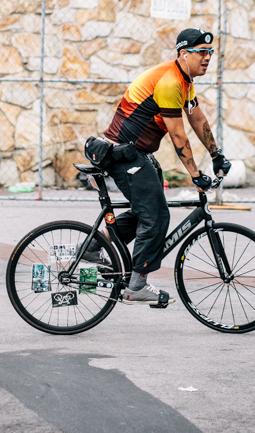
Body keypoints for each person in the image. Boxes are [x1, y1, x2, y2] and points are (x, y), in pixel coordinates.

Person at [82, 27, 231, 307]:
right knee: (157, 217)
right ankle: (136, 286)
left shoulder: (184, 81)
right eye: (201, 52)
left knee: (145, 214)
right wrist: (196, 175)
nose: (208, 57)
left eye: (210, 52)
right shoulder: (170, 82)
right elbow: (178, 135)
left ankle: (91, 247)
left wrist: (217, 155)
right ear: (183, 54)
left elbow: (197, 120)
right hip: (124, 156)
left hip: (136, 155)